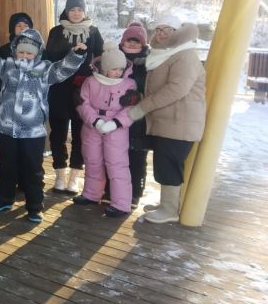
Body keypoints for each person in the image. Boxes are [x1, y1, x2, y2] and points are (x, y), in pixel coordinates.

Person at [0, 28, 87, 223]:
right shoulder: (7, 67)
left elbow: (63, 69)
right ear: (14, 50)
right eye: (21, 51)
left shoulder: (44, 70)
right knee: (7, 166)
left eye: (29, 52)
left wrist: (76, 55)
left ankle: (35, 206)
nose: (25, 56)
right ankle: (4, 198)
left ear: (37, 53)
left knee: (33, 169)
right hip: (7, 128)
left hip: (33, 132)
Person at [128, 16, 206, 224]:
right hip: (168, 121)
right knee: (164, 162)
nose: (161, 33)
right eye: (158, 30)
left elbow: (176, 89)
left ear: (177, 31)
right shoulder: (165, 53)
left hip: (179, 121)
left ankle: (170, 209)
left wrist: (142, 107)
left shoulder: (185, 55)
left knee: (169, 164)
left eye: (167, 29)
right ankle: (167, 203)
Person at [45, 0, 104, 195]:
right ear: (66, 12)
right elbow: (50, 56)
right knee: (58, 133)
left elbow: (101, 59)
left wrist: (88, 59)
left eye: (80, 9)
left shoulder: (93, 32)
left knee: (81, 134)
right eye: (72, 10)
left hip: (84, 90)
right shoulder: (56, 31)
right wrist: (71, 51)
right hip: (60, 89)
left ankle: (74, 177)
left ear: (85, 11)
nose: (76, 13)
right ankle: (60, 175)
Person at [74, 42, 137, 217]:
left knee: (117, 164)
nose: (118, 72)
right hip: (92, 126)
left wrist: (116, 122)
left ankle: (121, 203)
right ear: (104, 68)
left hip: (116, 128)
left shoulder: (129, 84)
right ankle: (91, 194)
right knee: (93, 160)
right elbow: (82, 103)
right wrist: (95, 121)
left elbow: (131, 107)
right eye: (114, 69)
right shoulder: (90, 81)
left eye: (120, 69)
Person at [119, 22, 151, 206]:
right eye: (128, 41)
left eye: (136, 42)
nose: (131, 45)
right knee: (116, 154)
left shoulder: (149, 63)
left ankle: (135, 192)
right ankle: (114, 188)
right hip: (115, 115)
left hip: (139, 117)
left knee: (137, 156)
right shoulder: (113, 58)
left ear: (143, 45)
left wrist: (138, 95)